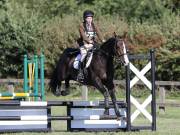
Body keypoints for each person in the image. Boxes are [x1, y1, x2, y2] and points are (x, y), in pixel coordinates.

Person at [77, 10, 105, 81]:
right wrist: (89, 41)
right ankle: (80, 73)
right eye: (88, 18)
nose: (89, 20)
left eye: (90, 18)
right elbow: (83, 36)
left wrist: (103, 40)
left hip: (92, 44)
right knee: (83, 55)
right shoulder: (81, 26)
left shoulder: (94, 25)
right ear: (85, 19)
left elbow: (99, 33)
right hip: (84, 44)